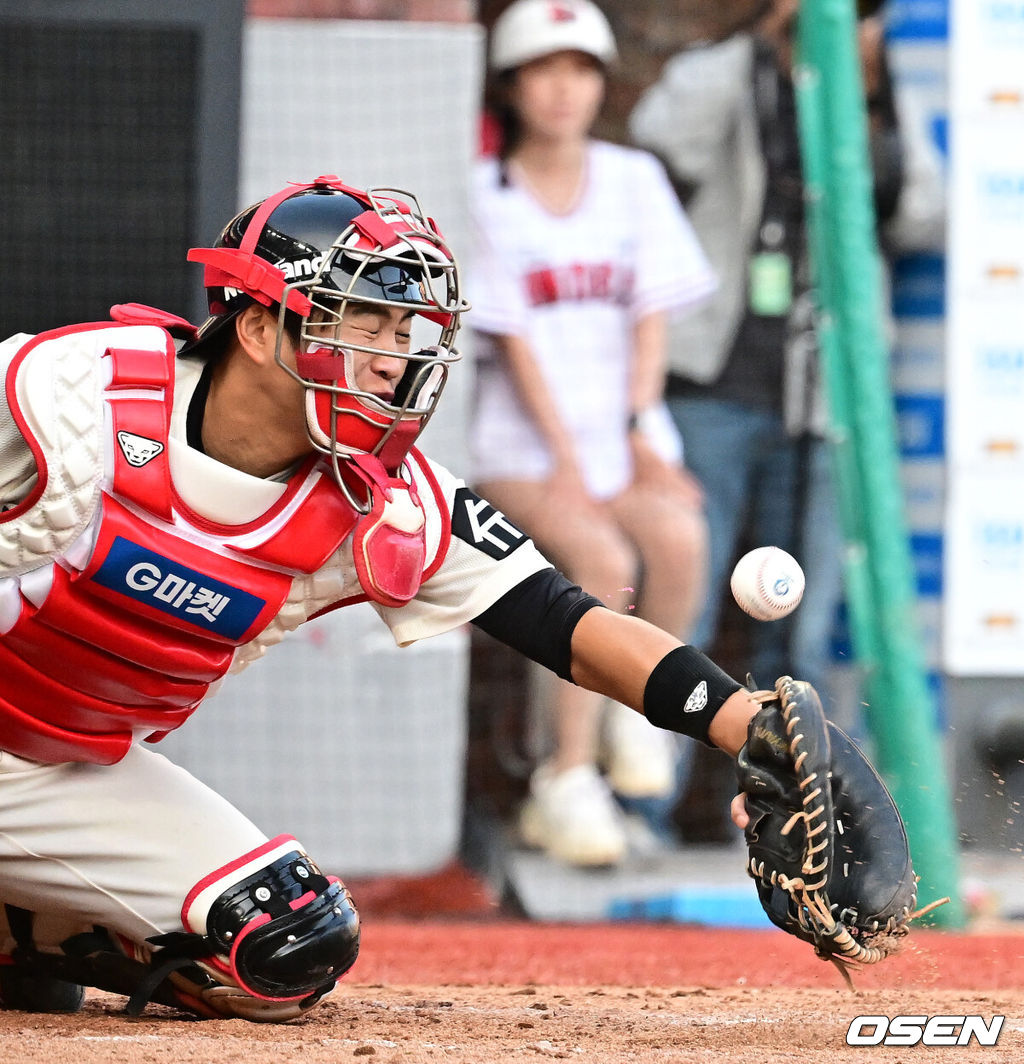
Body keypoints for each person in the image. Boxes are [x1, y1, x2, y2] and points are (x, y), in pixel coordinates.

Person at [0, 173, 762, 1021]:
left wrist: (752, 733)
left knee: (293, 943)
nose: (394, 357)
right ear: (258, 327)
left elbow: (563, 621)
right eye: (365, 322)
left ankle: (24, 933)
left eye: (407, 330)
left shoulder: (383, 500)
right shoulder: (70, 393)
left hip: (58, 770)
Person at [467, 0, 715, 867]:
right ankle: (565, 778)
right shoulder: (484, 191)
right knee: (602, 564)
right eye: (543, 69)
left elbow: (651, 315)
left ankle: (635, 715)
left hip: (618, 435)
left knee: (679, 539)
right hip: (520, 446)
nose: (562, 89)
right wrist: (572, 462)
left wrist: (644, 425)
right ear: (512, 84)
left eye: (578, 69)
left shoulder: (630, 176)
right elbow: (519, 343)